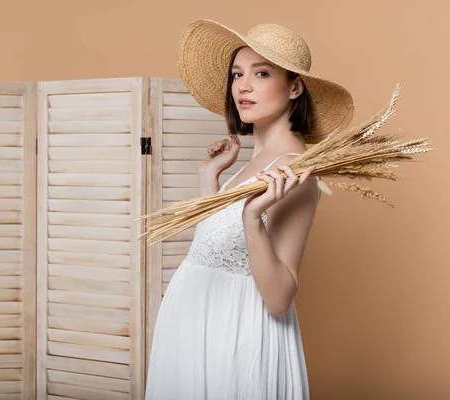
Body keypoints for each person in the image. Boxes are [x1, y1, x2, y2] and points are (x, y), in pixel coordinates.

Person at [144, 19, 354, 399]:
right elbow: (214, 250)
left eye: (261, 73)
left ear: (294, 86)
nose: (243, 85)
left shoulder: (296, 170)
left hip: (235, 331)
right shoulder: (255, 160)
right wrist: (209, 179)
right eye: (237, 74)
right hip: (195, 321)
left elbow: (277, 299)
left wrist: (251, 218)